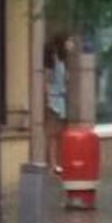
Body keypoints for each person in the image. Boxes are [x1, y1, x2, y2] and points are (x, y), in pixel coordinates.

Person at [44, 36, 69, 172]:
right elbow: (47, 81)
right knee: (53, 133)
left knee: (60, 133)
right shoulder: (54, 61)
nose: (70, 44)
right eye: (67, 42)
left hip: (60, 99)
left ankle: (57, 163)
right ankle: (53, 164)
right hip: (54, 100)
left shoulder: (62, 61)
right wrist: (49, 99)